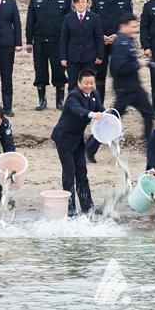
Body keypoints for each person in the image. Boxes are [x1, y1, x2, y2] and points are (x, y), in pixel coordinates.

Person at [86, 12, 154, 162]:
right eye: (132, 27)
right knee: (111, 120)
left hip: (135, 88)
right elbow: (118, 68)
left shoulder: (128, 41)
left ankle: (150, 147)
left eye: (136, 26)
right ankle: (90, 147)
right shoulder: (120, 43)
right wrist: (139, 64)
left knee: (149, 113)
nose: (135, 29)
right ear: (123, 26)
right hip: (125, 89)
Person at [51, 68, 104, 216]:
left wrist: (110, 119)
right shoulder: (73, 96)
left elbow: (102, 110)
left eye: (91, 83)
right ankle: (70, 208)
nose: (89, 86)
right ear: (79, 82)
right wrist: (91, 114)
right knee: (69, 172)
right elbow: (77, 110)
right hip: (63, 137)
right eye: (86, 83)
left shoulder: (94, 94)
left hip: (78, 138)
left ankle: (88, 205)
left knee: (82, 171)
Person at [26, 0, 71, 111]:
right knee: (40, 71)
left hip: (58, 41)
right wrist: (28, 41)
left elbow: (68, 21)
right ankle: (42, 101)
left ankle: (60, 101)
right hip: (39, 41)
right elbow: (30, 21)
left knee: (59, 71)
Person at [90, 0, 133, 105]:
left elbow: (128, 22)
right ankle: (99, 104)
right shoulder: (97, 0)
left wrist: (118, 35)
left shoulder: (125, 0)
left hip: (118, 43)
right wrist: (100, 36)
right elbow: (92, 21)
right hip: (101, 43)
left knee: (119, 75)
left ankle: (119, 106)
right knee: (99, 76)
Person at [60, 0, 104, 92]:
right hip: (72, 57)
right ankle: (72, 106)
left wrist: (100, 55)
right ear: (74, 4)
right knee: (73, 84)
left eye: (83, 2)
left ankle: (88, 106)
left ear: (88, 3)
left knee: (88, 84)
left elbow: (98, 37)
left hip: (89, 57)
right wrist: (63, 57)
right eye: (78, 2)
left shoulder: (94, 18)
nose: (80, 4)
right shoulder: (68, 18)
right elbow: (64, 39)